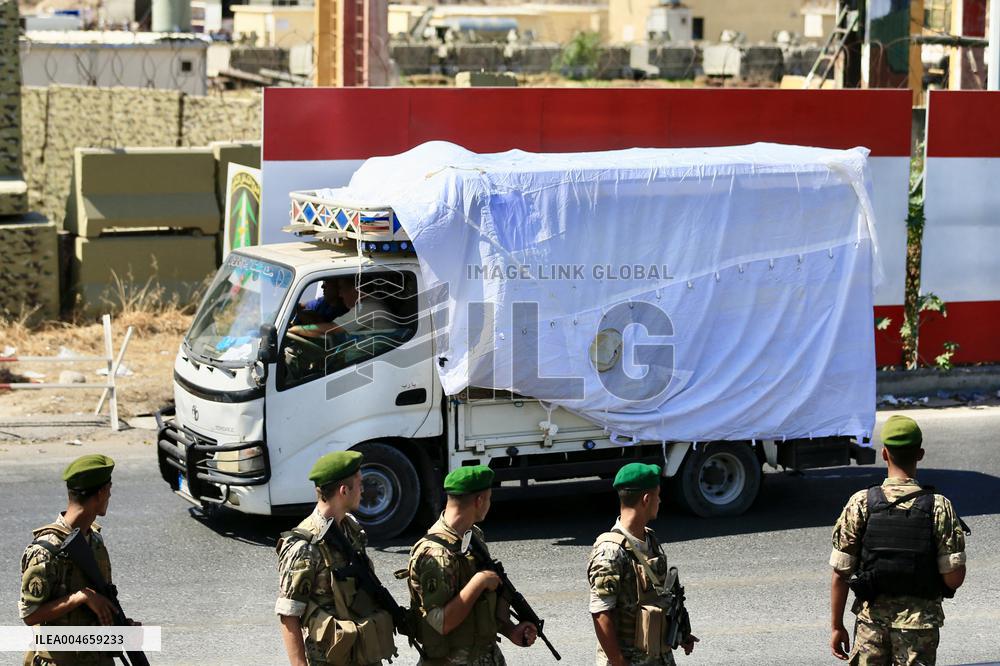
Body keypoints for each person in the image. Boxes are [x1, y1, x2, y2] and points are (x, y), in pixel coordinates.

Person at [829, 415, 969, 665]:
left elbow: (841, 573)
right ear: (920, 454)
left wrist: (837, 626)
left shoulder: (861, 503)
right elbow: (953, 578)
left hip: (871, 625)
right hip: (919, 629)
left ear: (884, 454)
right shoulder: (939, 506)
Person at [405, 465, 537, 665]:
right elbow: (441, 622)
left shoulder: (472, 536)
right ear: (479, 501)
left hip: (485, 656)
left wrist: (510, 630)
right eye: (489, 498)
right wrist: (480, 581)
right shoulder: (436, 553)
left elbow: (482, 604)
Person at [275, 450, 398, 666]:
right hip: (331, 657)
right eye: (359, 484)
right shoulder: (303, 546)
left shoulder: (351, 529)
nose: (363, 490)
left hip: (364, 649)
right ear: (344, 490)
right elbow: (289, 614)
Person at [19, 454, 132, 666]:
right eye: (109, 489)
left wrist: (120, 626)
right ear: (99, 494)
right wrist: (80, 597)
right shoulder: (45, 550)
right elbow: (30, 615)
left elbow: (101, 599)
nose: (110, 494)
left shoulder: (95, 541)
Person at [588, 462, 699, 666]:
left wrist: (680, 632)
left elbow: (659, 597)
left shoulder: (649, 539)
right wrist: (619, 662)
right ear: (646, 500)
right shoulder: (610, 552)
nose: (660, 501)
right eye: (657, 495)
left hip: (658, 657)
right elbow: (601, 613)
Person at [290, 277, 392, 338]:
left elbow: (332, 329)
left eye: (342, 289)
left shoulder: (367, 307)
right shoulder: (366, 304)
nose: (340, 295)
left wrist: (296, 329)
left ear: (355, 289)